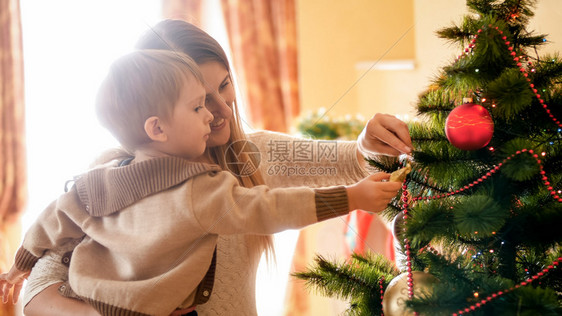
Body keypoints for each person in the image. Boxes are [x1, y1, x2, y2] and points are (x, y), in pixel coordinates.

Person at [21, 20, 413, 316]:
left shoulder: (252, 154)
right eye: (201, 101)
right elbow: (35, 289)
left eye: (225, 85)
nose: (223, 110)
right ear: (156, 116)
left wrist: (368, 142)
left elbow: (351, 162)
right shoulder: (115, 174)